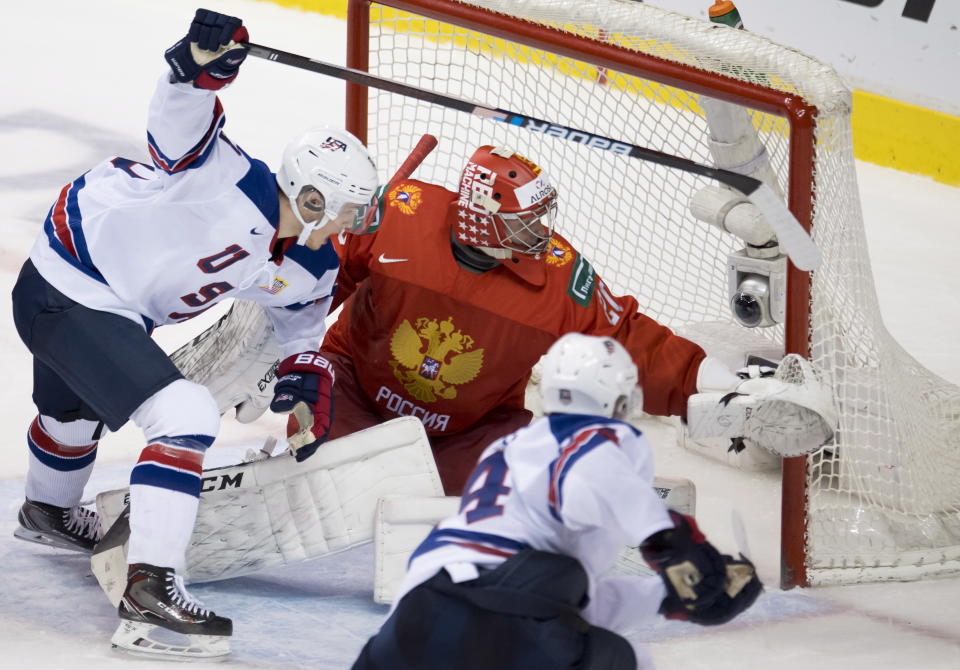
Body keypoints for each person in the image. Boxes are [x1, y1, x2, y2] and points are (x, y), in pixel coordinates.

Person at [10, 8, 378, 658]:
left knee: (73, 412)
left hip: (104, 307)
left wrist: (297, 389)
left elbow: (300, 332)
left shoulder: (311, 262)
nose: (353, 224)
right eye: (348, 209)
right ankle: (151, 594)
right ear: (313, 198)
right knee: (184, 413)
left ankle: (48, 512)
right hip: (69, 283)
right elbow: (176, 124)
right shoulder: (225, 177)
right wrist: (196, 67)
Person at [321, 144, 747, 494]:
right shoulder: (400, 211)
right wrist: (266, 338)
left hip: (472, 430)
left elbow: (624, 339)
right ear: (480, 220)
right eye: (524, 221)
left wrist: (707, 383)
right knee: (332, 484)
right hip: (356, 390)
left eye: (540, 217)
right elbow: (320, 274)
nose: (540, 231)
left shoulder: (557, 274)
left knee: (486, 516)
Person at [351, 333, 762, 670]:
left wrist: (665, 596)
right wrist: (681, 552)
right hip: (502, 612)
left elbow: (569, 603)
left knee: (564, 587)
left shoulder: (507, 450)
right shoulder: (596, 442)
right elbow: (612, 492)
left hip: (415, 616)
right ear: (618, 400)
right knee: (624, 657)